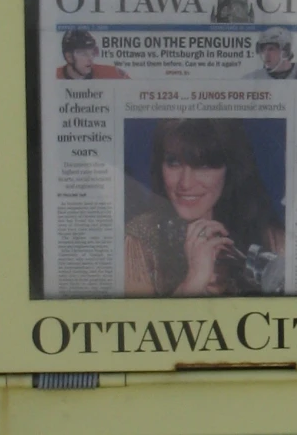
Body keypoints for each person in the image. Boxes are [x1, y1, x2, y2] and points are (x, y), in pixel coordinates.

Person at [124, 119, 285, 297]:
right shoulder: (140, 240)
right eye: (174, 163)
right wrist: (193, 281)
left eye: (203, 165)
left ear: (230, 169)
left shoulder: (272, 239)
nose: (185, 184)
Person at [56, 30, 129, 80]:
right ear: (69, 57)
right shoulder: (53, 76)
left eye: (91, 53)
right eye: (83, 53)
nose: (90, 58)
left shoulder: (110, 73)